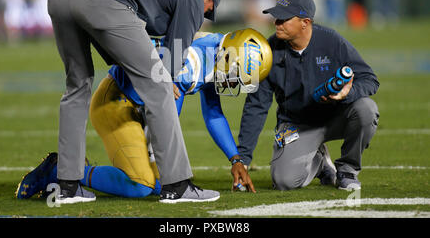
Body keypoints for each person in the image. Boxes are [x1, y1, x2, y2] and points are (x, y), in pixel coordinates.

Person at [16, 28, 273, 202]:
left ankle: (74, 170)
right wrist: (156, 153)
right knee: (142, 185)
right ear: (230, 56)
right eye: (235, 75)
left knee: (163, 185)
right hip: (119, 103)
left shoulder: (216, 50)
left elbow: (213, 112)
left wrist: (236, 159)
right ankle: (63, 170)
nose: (232, 82)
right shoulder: (194, 61)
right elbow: (166, 113)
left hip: (140, 107)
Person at [46, 0, 223, 204]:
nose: (204, 15)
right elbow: (175, 54)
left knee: (77, 87)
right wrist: (167, 78)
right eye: (208, 11)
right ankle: (177, 185)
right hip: (98, 0)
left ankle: (67, 186)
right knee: (160, 88)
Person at [237, 0, 380, 191]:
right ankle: (321, 163)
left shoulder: (331, 41)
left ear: (305, 22)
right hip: (297, 124)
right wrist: (242, 158)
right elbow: (256, 106)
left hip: (334, 117)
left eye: (284, 18)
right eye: (276, 17)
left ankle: (347, 170)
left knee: (366, 109)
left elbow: (369, 79)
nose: (277, 22)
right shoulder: (268, 50)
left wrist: (349, 92)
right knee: (284, 182)